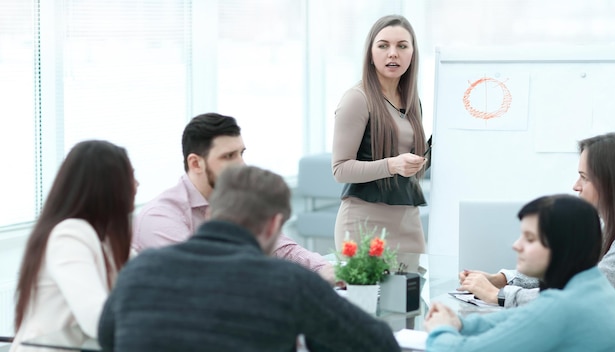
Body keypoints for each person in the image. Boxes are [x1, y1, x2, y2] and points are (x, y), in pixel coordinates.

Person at [98, 165, 401, 352]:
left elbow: (108, 338)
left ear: (213, 212)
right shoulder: (287, 283)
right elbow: (379, 345)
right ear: (273, 225)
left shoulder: (139, 270)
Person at [132, 113, 335, 283]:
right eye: (229, 156)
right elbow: (203, 277)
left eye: (241, 153)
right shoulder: (161, 217)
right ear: (195, 164)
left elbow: (280, 247)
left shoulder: (236, 200)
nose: (241, 165)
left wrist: (322, 269)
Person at [425, 194, 615, 351]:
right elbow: (518, 318)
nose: (516, 245)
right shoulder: (592, 285)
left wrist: (441, 328)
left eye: (529, 239)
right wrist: (460, 323)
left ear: (561, 246)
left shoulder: (561, 307)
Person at [459, 132, 615, 306]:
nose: (576, 186)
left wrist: (497, 295)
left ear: (612, 183)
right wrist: (501, 280)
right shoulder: (609, 228)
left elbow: (584, 294)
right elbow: (570, 272)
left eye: (584, 177)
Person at [11, 140, 136, 352]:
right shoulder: (69, 234)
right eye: (130, 176)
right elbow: (97, 320)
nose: (137, 185)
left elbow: (149, 275)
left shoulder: (105, 240)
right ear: (107, 185)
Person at [332, 15, 429, 272]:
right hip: (363, 222)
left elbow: (409, 168)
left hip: (408, 221)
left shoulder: (411, 101)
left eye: (402, 46)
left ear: (413, 53)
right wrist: (392, 165)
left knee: (410, 307)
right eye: (383, 46)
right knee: (365, 307)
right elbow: (340, 169)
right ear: (370, 53)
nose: (393, 54)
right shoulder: (357, 98)